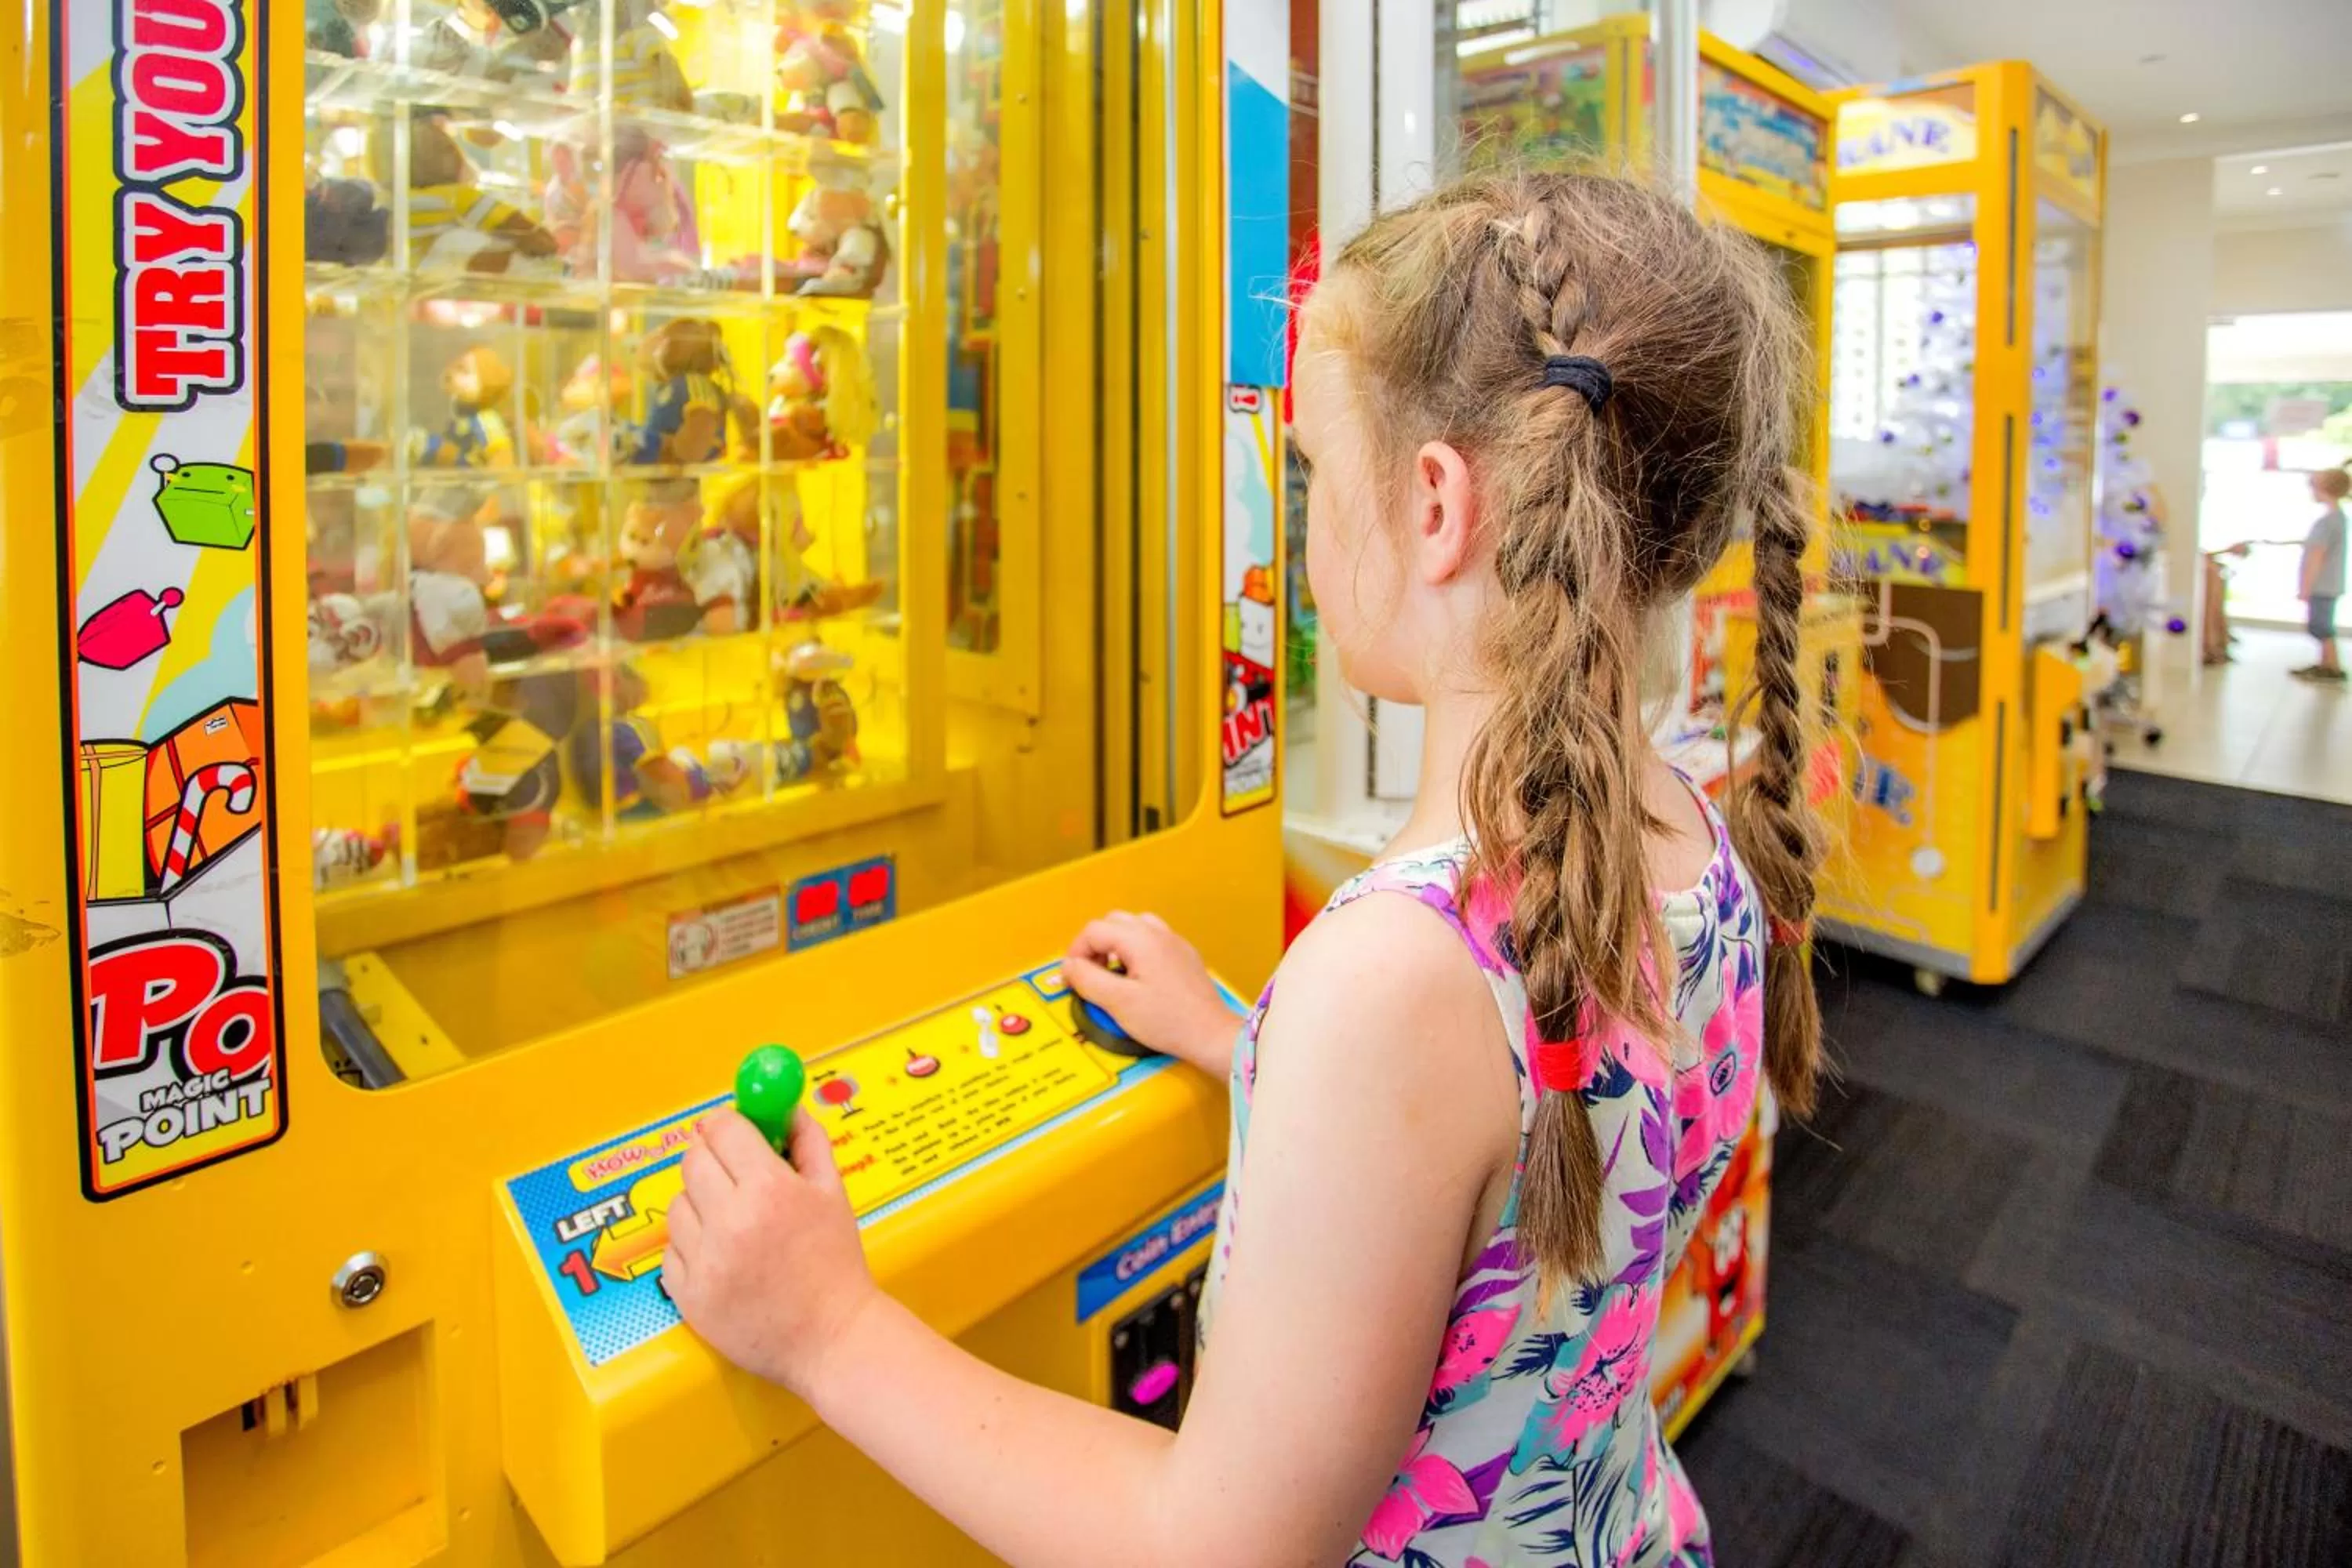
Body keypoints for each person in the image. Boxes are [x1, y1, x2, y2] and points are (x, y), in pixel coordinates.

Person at [661, 171, 1827, 1566]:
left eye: (1320, 471)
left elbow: (1212, 1544)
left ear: (1437, 505)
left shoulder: (1398, 976)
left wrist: (825, 1327)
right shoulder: (1695, 831)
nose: (1306, 511)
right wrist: (1247, 1041)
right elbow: (1516, 1173)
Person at [2292, 465, 2347, 684]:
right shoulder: (2338, 519)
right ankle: (2326, 663)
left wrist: (2306, 586)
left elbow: (2317, 556)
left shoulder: (2327, 522)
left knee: (2321, 626)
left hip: (2322, 584)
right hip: (2331, 583)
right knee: (2324, 624)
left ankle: (2332, 666)